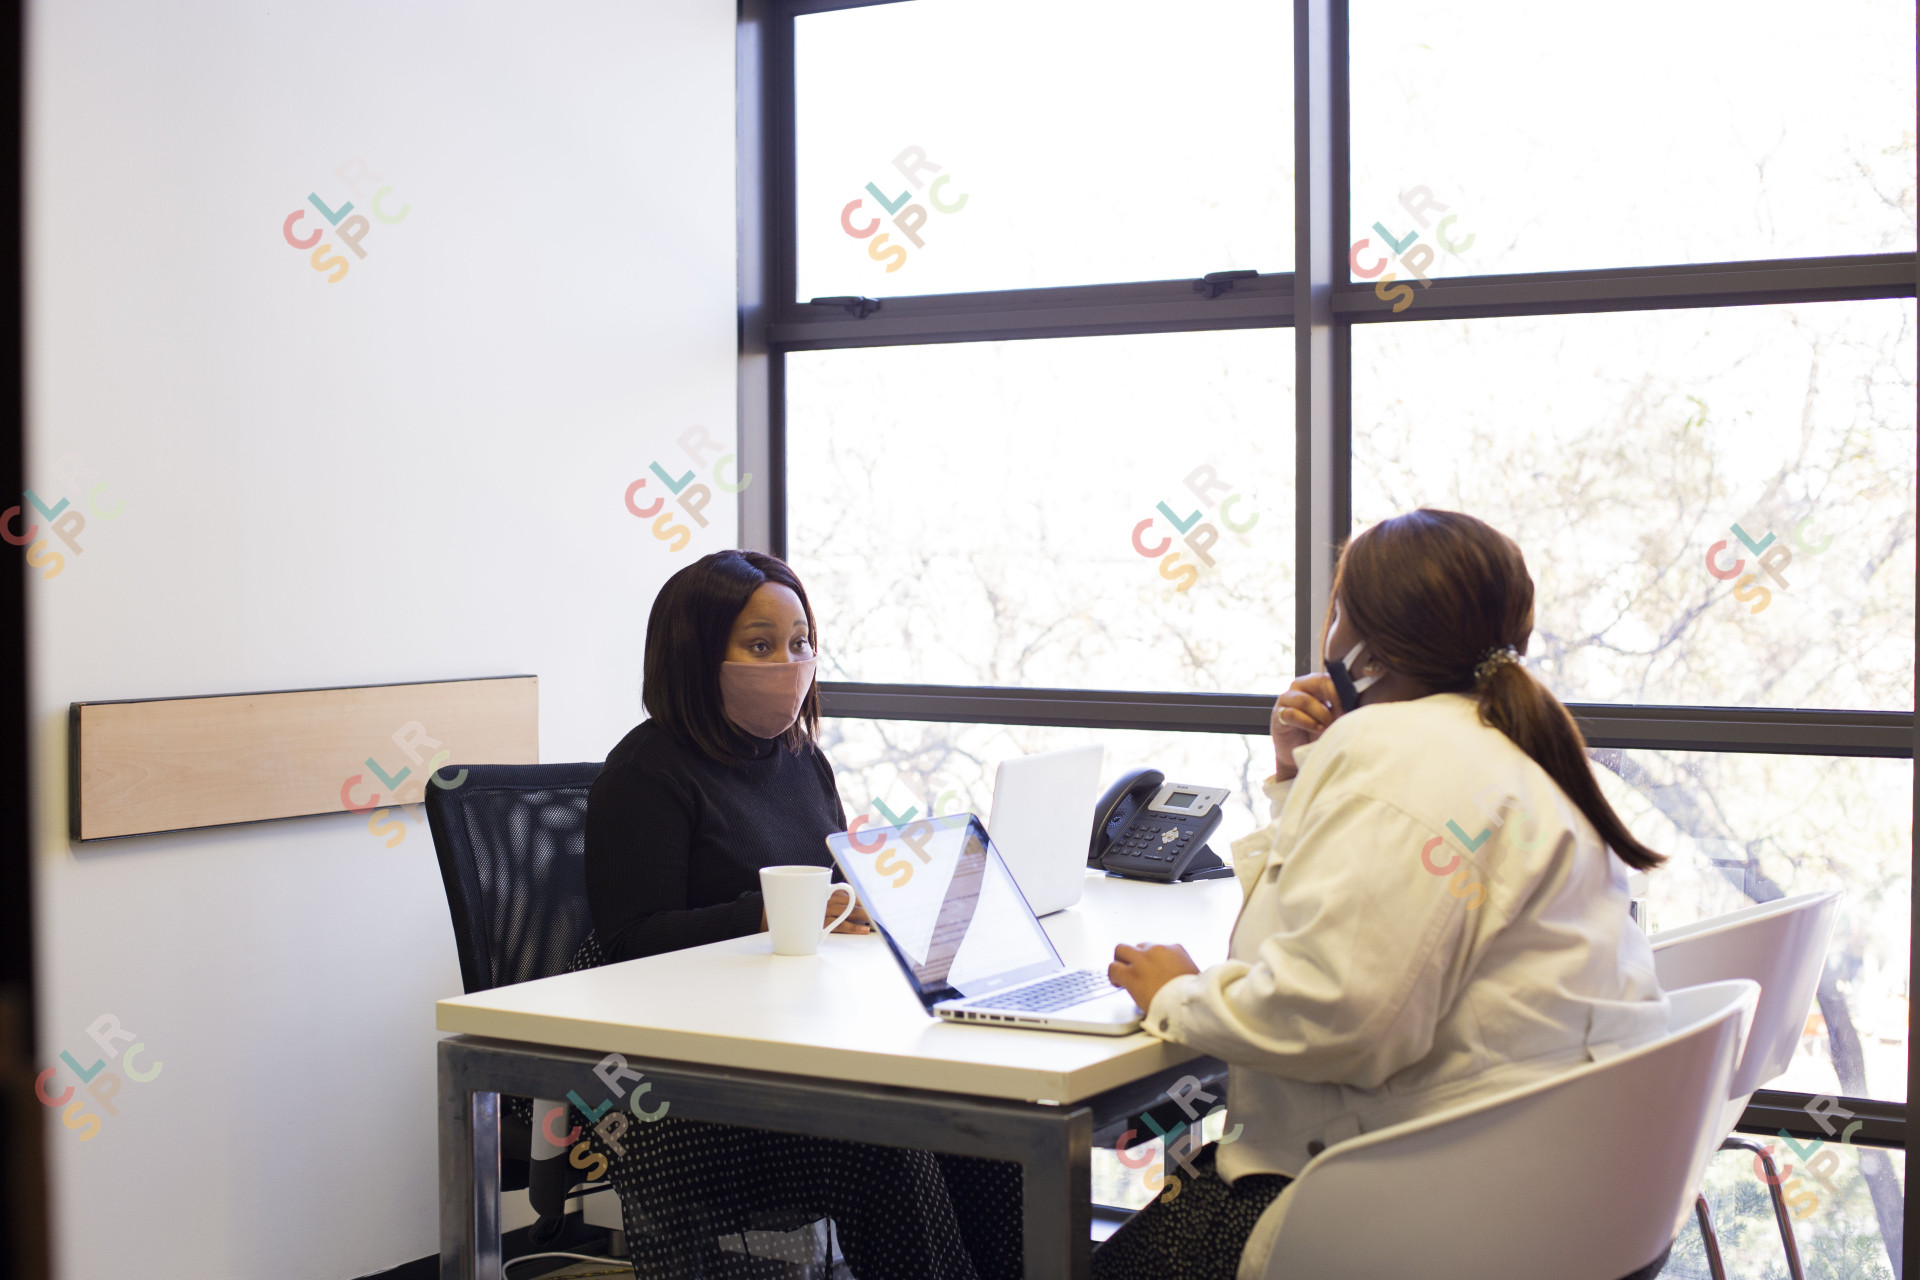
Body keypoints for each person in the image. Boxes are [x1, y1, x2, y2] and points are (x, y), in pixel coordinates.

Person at [1097, 510, 1672, 1280]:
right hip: (1544, 1200)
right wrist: (1301, 778)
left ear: (1365, 647)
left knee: (1078, 1249)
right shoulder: (1509, 749)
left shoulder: (1396, 752)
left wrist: (1179, 994)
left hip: (1395, 1210)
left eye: (1336, 613)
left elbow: (1338, 1019)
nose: (1327, 638)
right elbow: (1330, 926)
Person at [565, 549, 1021, 1280]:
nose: (790, 660)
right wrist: (779, 914)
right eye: (760, 644)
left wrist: (867, 905)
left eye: (801, 641)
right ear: (694, 656)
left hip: (795, 1043)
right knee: (891, 1143)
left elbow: (832, 897)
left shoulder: (800, 758)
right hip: (683, 1094)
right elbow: (631, 942)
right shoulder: (644, 776)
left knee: (990, 1132)